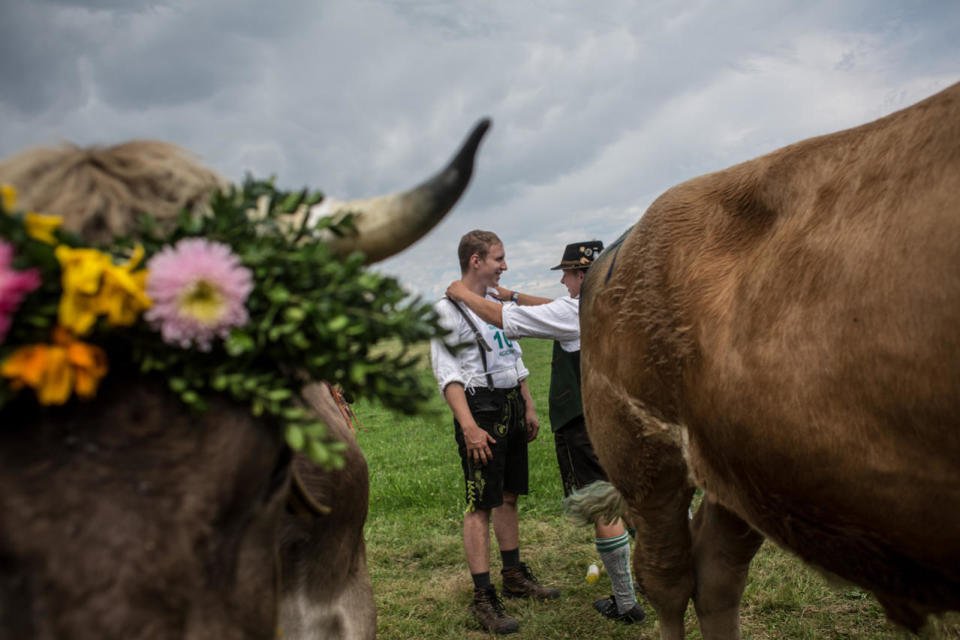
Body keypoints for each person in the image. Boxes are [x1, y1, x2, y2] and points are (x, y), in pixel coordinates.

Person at [445, 240, 647, 625]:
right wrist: (514, 294)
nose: (566, 282)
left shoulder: (577, 309)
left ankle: (625, 602)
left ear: (581, 275)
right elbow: (555, 309)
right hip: (623, 417)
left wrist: (461, 293)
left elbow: (511, 319)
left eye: (568, 274)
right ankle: (672, 574)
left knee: (603, 504)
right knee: (635, 500)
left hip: (587, 422)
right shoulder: (615, 302)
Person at [429, 229, 560, 635]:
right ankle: (483, 596)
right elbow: (447, 375)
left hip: (510, 404)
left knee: (508, 495)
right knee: (480, 503)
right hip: (480, 410)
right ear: (476, 261)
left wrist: (529, 404)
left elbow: (512, 356)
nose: (505, 266)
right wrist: (468, 427)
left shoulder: (491, 304)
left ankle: (514, 574)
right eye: (499, 259)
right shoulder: (446, 311)